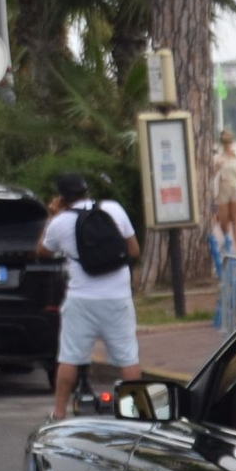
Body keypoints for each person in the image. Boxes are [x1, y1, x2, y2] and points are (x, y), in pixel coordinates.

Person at [36, 172, 142, 423]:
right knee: (128, 357)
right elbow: (134, 250)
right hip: (118, 297)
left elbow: (41, 251)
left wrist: (53, 214)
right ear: (86, 191)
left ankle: (59, 413)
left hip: (81, 299)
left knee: (69, 357)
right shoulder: (113, 209)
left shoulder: (60, 222)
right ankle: (135, 414)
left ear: (62, 197)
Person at [208, 129, 236, 268]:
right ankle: (226, 238)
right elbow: (211, 173)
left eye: (229, 142)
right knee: (223, 219)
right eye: (225, 142)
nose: (227, 144)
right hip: (223, 188)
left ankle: (235, 245)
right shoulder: (218, 158)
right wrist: (216, 166)